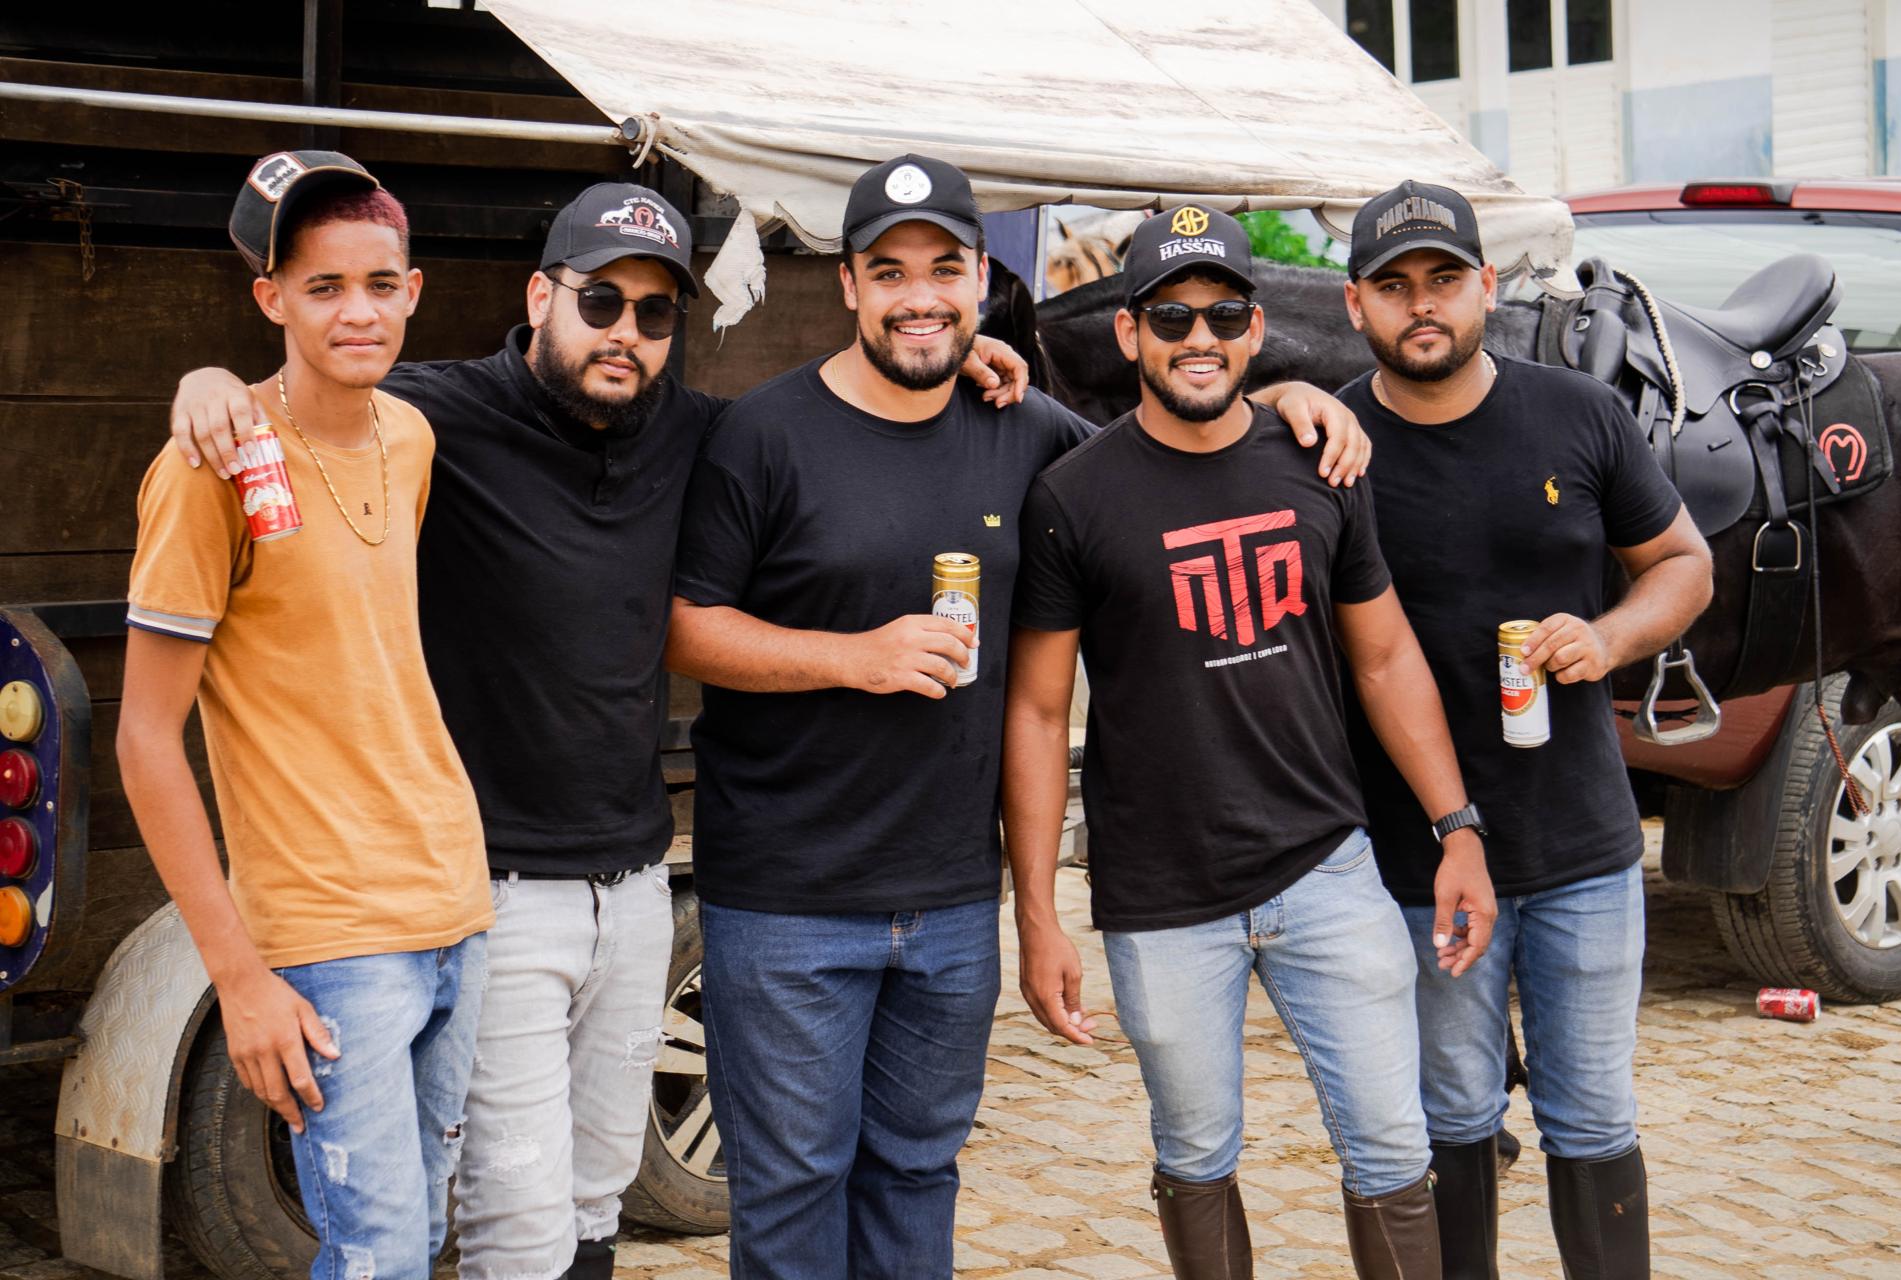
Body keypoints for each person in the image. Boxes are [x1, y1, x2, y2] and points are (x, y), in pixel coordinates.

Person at [165, 177, 1036, 1280]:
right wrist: (211, 384)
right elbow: (319, 385)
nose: (626, 330)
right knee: (516, 1218)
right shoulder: (439, 414)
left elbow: (830, 413)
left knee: (593, 1200)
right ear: (540, 296)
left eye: (654, 310)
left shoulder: (696, 428)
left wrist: (958, 357)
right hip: (495, 885)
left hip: (632, 880)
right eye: (599, 301)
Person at [665, 157, 1373, 1279]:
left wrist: (1283, 401)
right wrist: (855, 657)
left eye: (945, 270)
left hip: (953, 899)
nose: (920, 297)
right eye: (889, 272)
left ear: (981, 281)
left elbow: (1170, 454)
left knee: (916, 1174)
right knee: (793, 1189)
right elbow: (685, 629)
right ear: (848, 285)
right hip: (786, 899)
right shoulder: (765, 433)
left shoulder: (1028, 429)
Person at [1003, 206, 1498, 1280]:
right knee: (1195, 1156)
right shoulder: (1072, 498)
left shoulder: (1320, 465)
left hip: (1328, 869)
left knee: (1394, 1150)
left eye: (1224, 314)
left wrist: (1457, 826)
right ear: (1129, 332)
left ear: (1257, 328)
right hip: (1162, 897)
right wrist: (1037, 914)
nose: (1200, 337)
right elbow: (1037, 713)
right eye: (1171, 316)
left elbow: (1386, 657)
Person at [118, 151, 491, 1280]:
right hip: (329, 929)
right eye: (322, 286)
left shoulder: (411, 436)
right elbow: (145, 736)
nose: (356, 311)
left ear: (413, 291)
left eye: (378, 283)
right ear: (270, 298)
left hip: (454, 898)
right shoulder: (209, 466)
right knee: (376, 1252)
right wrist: (237, 975)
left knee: (424, 1237)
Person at [1335, 180, 1712, 1280]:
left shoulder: (1578, 413)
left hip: (1583, 846)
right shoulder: (1330, 444)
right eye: (1394, 286)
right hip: (1418, 856)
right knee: (1450, 1116)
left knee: (1592, 1116)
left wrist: (1610, 635)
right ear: (1355, 304)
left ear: (1487, 287)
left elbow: (1684, 565)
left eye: (1444, 279)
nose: (1423, 305)